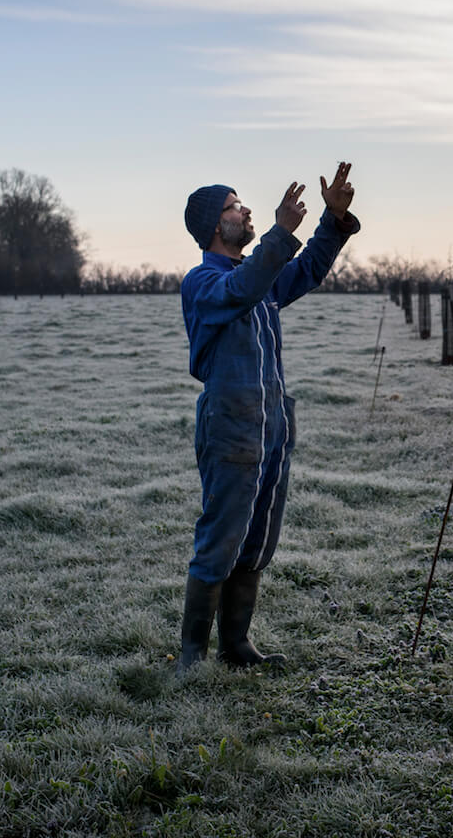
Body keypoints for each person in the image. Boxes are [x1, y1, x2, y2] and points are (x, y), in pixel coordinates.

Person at [177, 163, 359, 669]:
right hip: (231, 424)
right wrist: (281, 232)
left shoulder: (262, 280)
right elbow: (243, 289)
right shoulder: (204, 282)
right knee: (222, 534)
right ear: (216, 225)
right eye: (235, 206)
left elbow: (306, 270)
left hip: (272, 426)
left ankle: (236, 646)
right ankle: (192, 656)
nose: (245, 209)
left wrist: (332, 220)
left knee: (258, 536)